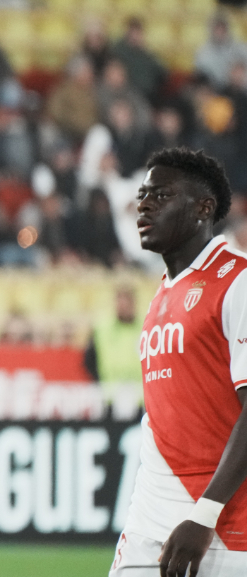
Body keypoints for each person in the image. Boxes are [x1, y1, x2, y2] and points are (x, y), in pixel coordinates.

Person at [110, 148, 247, 576]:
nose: (144, 204)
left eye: (162, 196)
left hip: (221, 527)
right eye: (142, 194)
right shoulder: (162, 293)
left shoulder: (237, 281)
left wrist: (205, 515)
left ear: (203, 209)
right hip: (148, 519)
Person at [109, 18, 167, 100]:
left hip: (150, 93)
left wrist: (145, 50)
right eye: (133, 32)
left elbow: (162, 72)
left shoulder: (145, 52)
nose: (135, 36)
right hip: (129, 94)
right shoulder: (118, 51)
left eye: (138, 32)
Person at [195, 15, 247, 90]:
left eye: (222, 29)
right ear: (211, 30)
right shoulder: (203, 53)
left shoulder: (240, 47)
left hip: (241, 87)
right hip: (216, 89)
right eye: (217, 29)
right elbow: (203, 77)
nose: (219, 32)